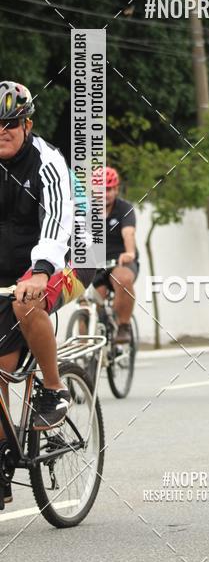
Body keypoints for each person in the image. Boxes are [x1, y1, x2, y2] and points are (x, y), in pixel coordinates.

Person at [0, 81, 78, 494]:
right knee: (1, 369)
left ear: (27, 124)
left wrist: (40, 270)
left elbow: (57, 223)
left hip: (57, 268)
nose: (3, 130)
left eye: (11, 122)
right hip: (3, 280)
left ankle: (53, 388)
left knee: (26, 304)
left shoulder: (47, 162)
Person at [91, 166, 138, 342]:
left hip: (119, 261)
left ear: (116, 189)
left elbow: (128, 233)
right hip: (95, 264)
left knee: (123, 279)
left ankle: (123, 326)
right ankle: (84, 349)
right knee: (88, 302)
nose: (104, 194)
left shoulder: (124, 208)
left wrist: (130, 252)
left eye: (108, 189)